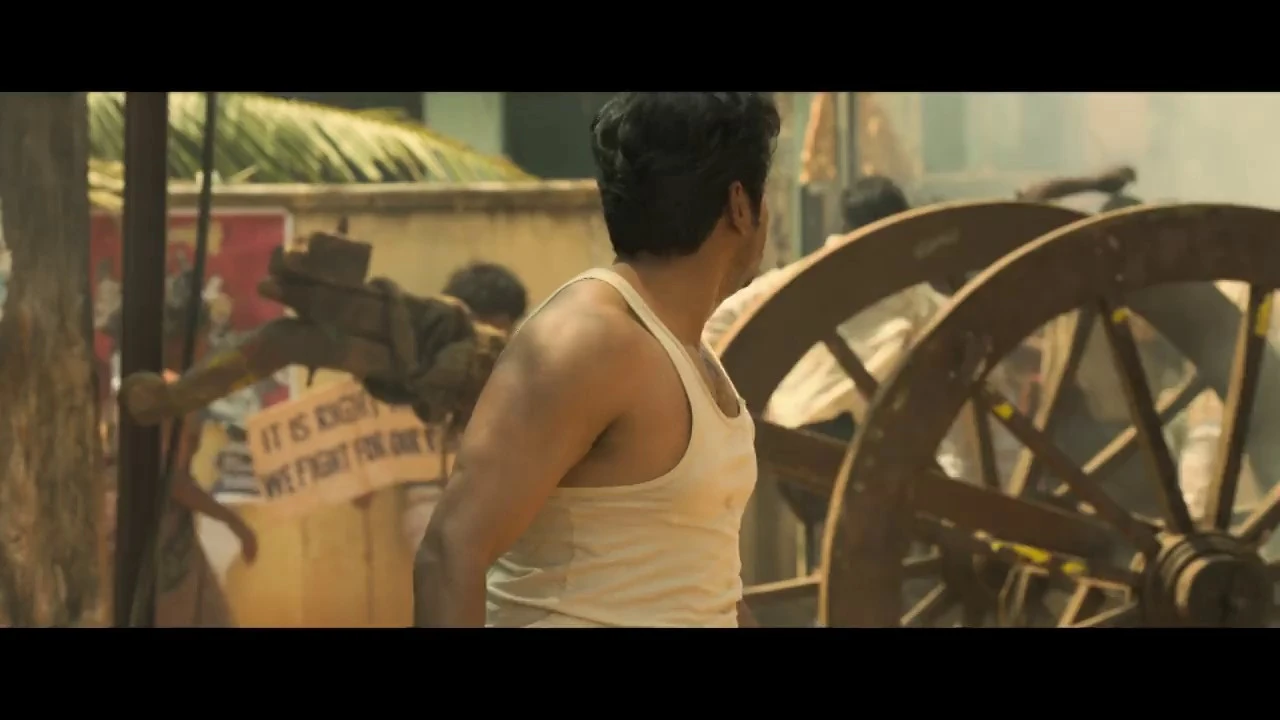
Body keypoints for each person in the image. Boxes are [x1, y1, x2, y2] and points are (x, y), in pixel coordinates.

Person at [413, 92, 780, 628]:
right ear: (741, 205)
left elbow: (700, 583)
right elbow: (449, 553)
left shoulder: (684, 349)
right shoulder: (588, 341)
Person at [704, 175, 956, 573]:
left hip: (788, 440)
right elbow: (961, 334)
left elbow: (716, 323)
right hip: (848, 447)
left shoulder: (798, 277)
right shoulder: (906, 292)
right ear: (896, 226)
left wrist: (725, 394)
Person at [397, 262, 530, 553]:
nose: (486, 343)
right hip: (436, 500)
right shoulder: (419, 372)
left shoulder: (527, 376)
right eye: (479, 329)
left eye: (498, 331)